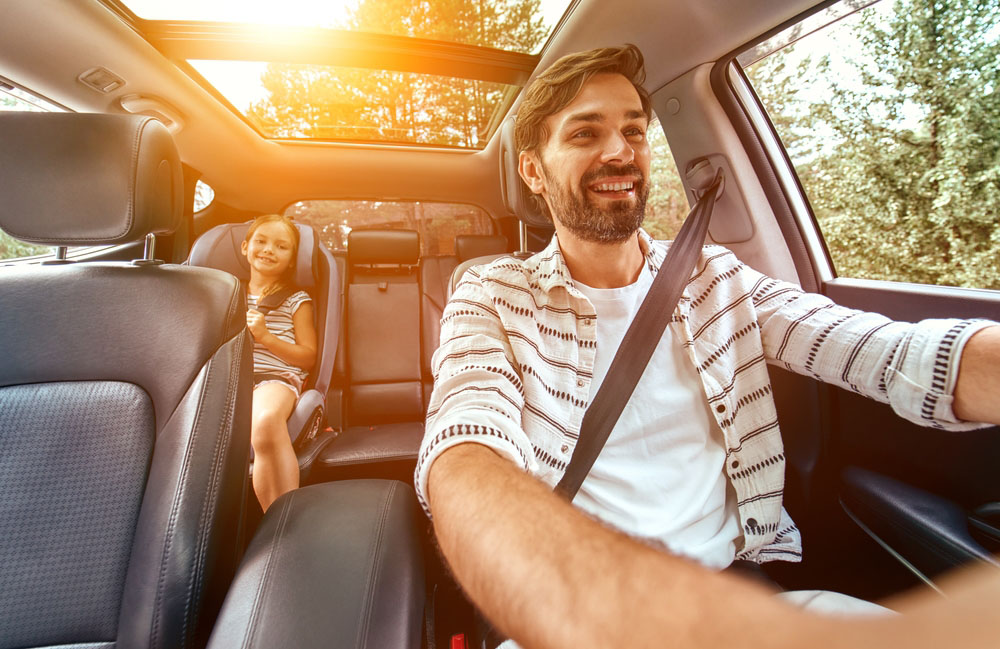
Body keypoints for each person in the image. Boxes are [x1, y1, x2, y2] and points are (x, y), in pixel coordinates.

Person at [415, 45, 1000, 648]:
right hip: (572, 617)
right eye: (585, 132)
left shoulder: (715, 277)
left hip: (736, 596)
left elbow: (878, 349)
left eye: (633, 131)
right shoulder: (491, 293)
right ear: (534, 171)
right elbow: (465, 446)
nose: (620, 151)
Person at [241, 214, 317, 512]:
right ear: (245, 247)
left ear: (291, 260)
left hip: (275, 377)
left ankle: (283, 518)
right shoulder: (225, 293)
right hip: (228, 379)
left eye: (281, 246)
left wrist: (265, 337)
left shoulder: (296, 300)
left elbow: (308, 356)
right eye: (261, 241)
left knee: (266, 419)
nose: (269, 249)